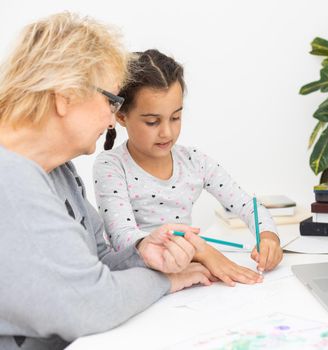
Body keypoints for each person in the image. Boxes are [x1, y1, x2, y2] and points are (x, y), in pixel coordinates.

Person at [0, 13, 212, 350]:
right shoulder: (9, 181)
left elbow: (95, 263)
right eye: (111, 101)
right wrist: (164, 280)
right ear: (65, 95)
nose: (114, 119)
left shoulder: (56, 171)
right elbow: (88, 303)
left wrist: (143, 253)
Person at [93, 49, 283, 285]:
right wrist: (200, 251)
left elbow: (247, 204)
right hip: (137, 279)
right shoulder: (111, 165)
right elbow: (123, 238)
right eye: (152, 122)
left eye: (175, 117)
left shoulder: (195, 162)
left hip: (188, 274)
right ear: (121, 117)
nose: (167, 132)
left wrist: (268, 237)